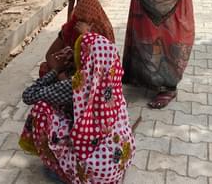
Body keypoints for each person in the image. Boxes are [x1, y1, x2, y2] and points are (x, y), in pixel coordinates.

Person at [20, 29, 136, 183]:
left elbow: (29, 95)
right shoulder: (111, 79)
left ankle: (59, 170)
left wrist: (57, 69)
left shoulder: (75, 86)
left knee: (42, 108)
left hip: (92, 173)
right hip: (116, 163)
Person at [40, 0, 115, 77]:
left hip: (94, 73)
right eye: (80, 18)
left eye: (87, 20)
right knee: (45, 68)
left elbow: (101, 62)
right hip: (74, 68)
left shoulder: (104, 32)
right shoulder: (70, 28)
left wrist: (86, 36)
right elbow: (49, 54)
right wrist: (58, 71)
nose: (81, 23)